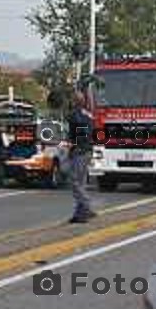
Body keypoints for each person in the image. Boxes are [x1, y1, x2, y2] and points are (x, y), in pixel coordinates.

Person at [68, 90, 97, 223]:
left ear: (75, 102)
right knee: (82, 183)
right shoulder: (89, 115)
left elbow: (80, 133)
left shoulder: (76, 115)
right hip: (88, 150)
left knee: (75, 182)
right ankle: (80, 213)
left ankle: (86, 206)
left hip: (80, 151)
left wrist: (75, 147)